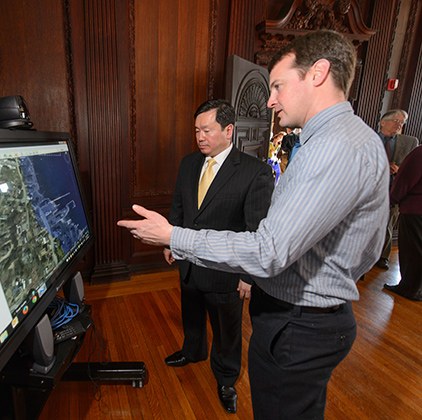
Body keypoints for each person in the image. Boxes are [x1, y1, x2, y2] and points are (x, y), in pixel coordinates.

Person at [117, 29, 389, 420]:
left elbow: (269, 251)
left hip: (298, 324)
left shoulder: (334, 148)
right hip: (303, 315)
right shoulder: (344, 140)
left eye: (277, 84)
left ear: (317, 73)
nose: (269, 99)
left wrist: (173, 236)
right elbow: (368, 249)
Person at [163, 99, 274, 414]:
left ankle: (226, 378)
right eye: (196, 130)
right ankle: (193, 351)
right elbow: (180, 207)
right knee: (192, 313)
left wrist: (248, 275)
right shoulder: (188, 163)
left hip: (227, 272)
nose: (200, 136)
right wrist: (171, 240)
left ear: (228, 130)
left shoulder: (255, 172)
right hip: (188, 262)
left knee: (227, 331)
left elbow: (258, 232)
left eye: (207, 130)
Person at [376, 110, 419, 270]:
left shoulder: (410, 142)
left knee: (388, 224)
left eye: (402, 122)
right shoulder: (370, 139)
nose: (399, 125)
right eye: (396, 120)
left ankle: (383, 257)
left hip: (393, 190)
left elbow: (412, 168)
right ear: (383, 122)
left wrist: (399, 169)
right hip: (370, 189)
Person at [384, 145, 422, 300]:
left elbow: (404, 181)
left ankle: (410, 289)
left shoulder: (419, 153)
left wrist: (391, 200)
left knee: (412, 250)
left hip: (416, 210)